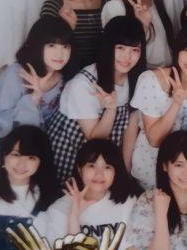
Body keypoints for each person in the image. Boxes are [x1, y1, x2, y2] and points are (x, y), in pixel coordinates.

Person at [44, 15, 146, 184]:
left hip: (105, 161)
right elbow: (94, 140)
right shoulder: (84, 83)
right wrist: (111, 109)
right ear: (108, 46)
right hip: (71, 157)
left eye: (134, 50)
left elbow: (131, 129)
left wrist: (125, 173)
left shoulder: (135, 80)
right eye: (120, 48)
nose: (127, 57)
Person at [0, 16, 74, 174]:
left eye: (65, 46)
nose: (60, 53)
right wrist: (34, 97)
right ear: (39, 44)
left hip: (26, 147)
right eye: (52, 45)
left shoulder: (62, 81)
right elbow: (6, 122)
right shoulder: (17, 73)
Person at [124, 23, 187, 190]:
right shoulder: (151, 80)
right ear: (177, 51)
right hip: (151, 172)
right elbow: (154, 139)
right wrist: (176, 103)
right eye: (186, 50)